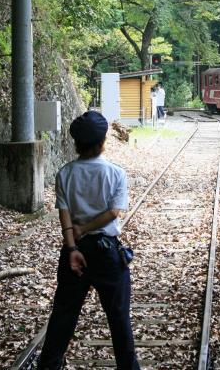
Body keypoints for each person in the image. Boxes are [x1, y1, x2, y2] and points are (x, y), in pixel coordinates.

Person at [37, 110, 140, 370]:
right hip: (106, 252)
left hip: (74, 252)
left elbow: (64, 213)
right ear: (102, 142)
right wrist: (85, 229)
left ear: (77, 143)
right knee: (118, 317)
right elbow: (113, 212)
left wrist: (72, 245)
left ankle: (48, 366)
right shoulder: (115, 173)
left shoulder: (65, 173)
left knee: (64, 314)